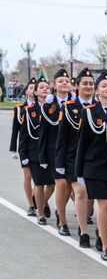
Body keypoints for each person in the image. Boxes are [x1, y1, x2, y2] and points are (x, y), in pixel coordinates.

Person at [75, 72, 107, 262]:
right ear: (97, 91)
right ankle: (106, 246)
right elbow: (82, 143)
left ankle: (102, 232)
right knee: (103, 204)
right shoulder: (89, 112)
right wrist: (79, 173)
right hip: (95, 166)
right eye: (104, 86)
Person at [56, 68, 96, 248]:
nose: (88, 86)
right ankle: (84, 232)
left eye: (91, 83)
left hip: (94, 159)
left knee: (90, 196)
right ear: (77, 86)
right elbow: (62, 137)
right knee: (81, 192)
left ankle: (84, 221)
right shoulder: (69, 107)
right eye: (84, 83)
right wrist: (59, 163)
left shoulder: (99, 106)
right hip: (73, 158)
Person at [40, 68, 73, 235]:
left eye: (67, 81)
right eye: (61, 81)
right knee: (60, 183)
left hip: (72, 151)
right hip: (54, 152)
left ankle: (60, 209)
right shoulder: (48, 107)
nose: (64, 83)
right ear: (55, 85)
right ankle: (63, 221)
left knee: (68, 186)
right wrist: (42, 156)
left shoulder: (76, 105)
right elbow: (43, 133)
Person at [19, 76, 55, 225]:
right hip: (34, 152)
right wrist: (23, 155)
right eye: (41, 87)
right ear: (35, 92)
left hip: (51, 151)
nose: (45, 89)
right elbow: (24, 135)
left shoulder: (55, 108)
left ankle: (41, 202)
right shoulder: (29, 111)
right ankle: (40, 214)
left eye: (47, 86)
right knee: (39, 184)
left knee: (52, 184)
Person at [10, 77, 37, 216]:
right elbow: (16, 129)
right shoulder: (20, 108)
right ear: (26, 92)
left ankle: (37, 197)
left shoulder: (44, 107)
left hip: (40, 146)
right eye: (31, 88)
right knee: (28, 175)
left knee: (41, 179)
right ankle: (31, 205)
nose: (33, 90)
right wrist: (12, 148)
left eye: (35, 87)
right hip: (25, 147)